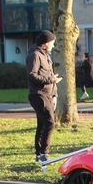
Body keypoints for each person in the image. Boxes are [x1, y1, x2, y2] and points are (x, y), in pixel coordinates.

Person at [27, 30, 62, 164]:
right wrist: (51, 79)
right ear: (46, 43)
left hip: (48, 94)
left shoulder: (46, 55)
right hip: (38, 94)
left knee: (42, 125)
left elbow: (50, 75)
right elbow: (32, 75)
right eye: (52, 43)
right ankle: (44, 154)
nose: (53, 45)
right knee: (50, 122)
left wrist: (54, 94)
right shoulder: (35, 55)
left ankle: (39, 155)